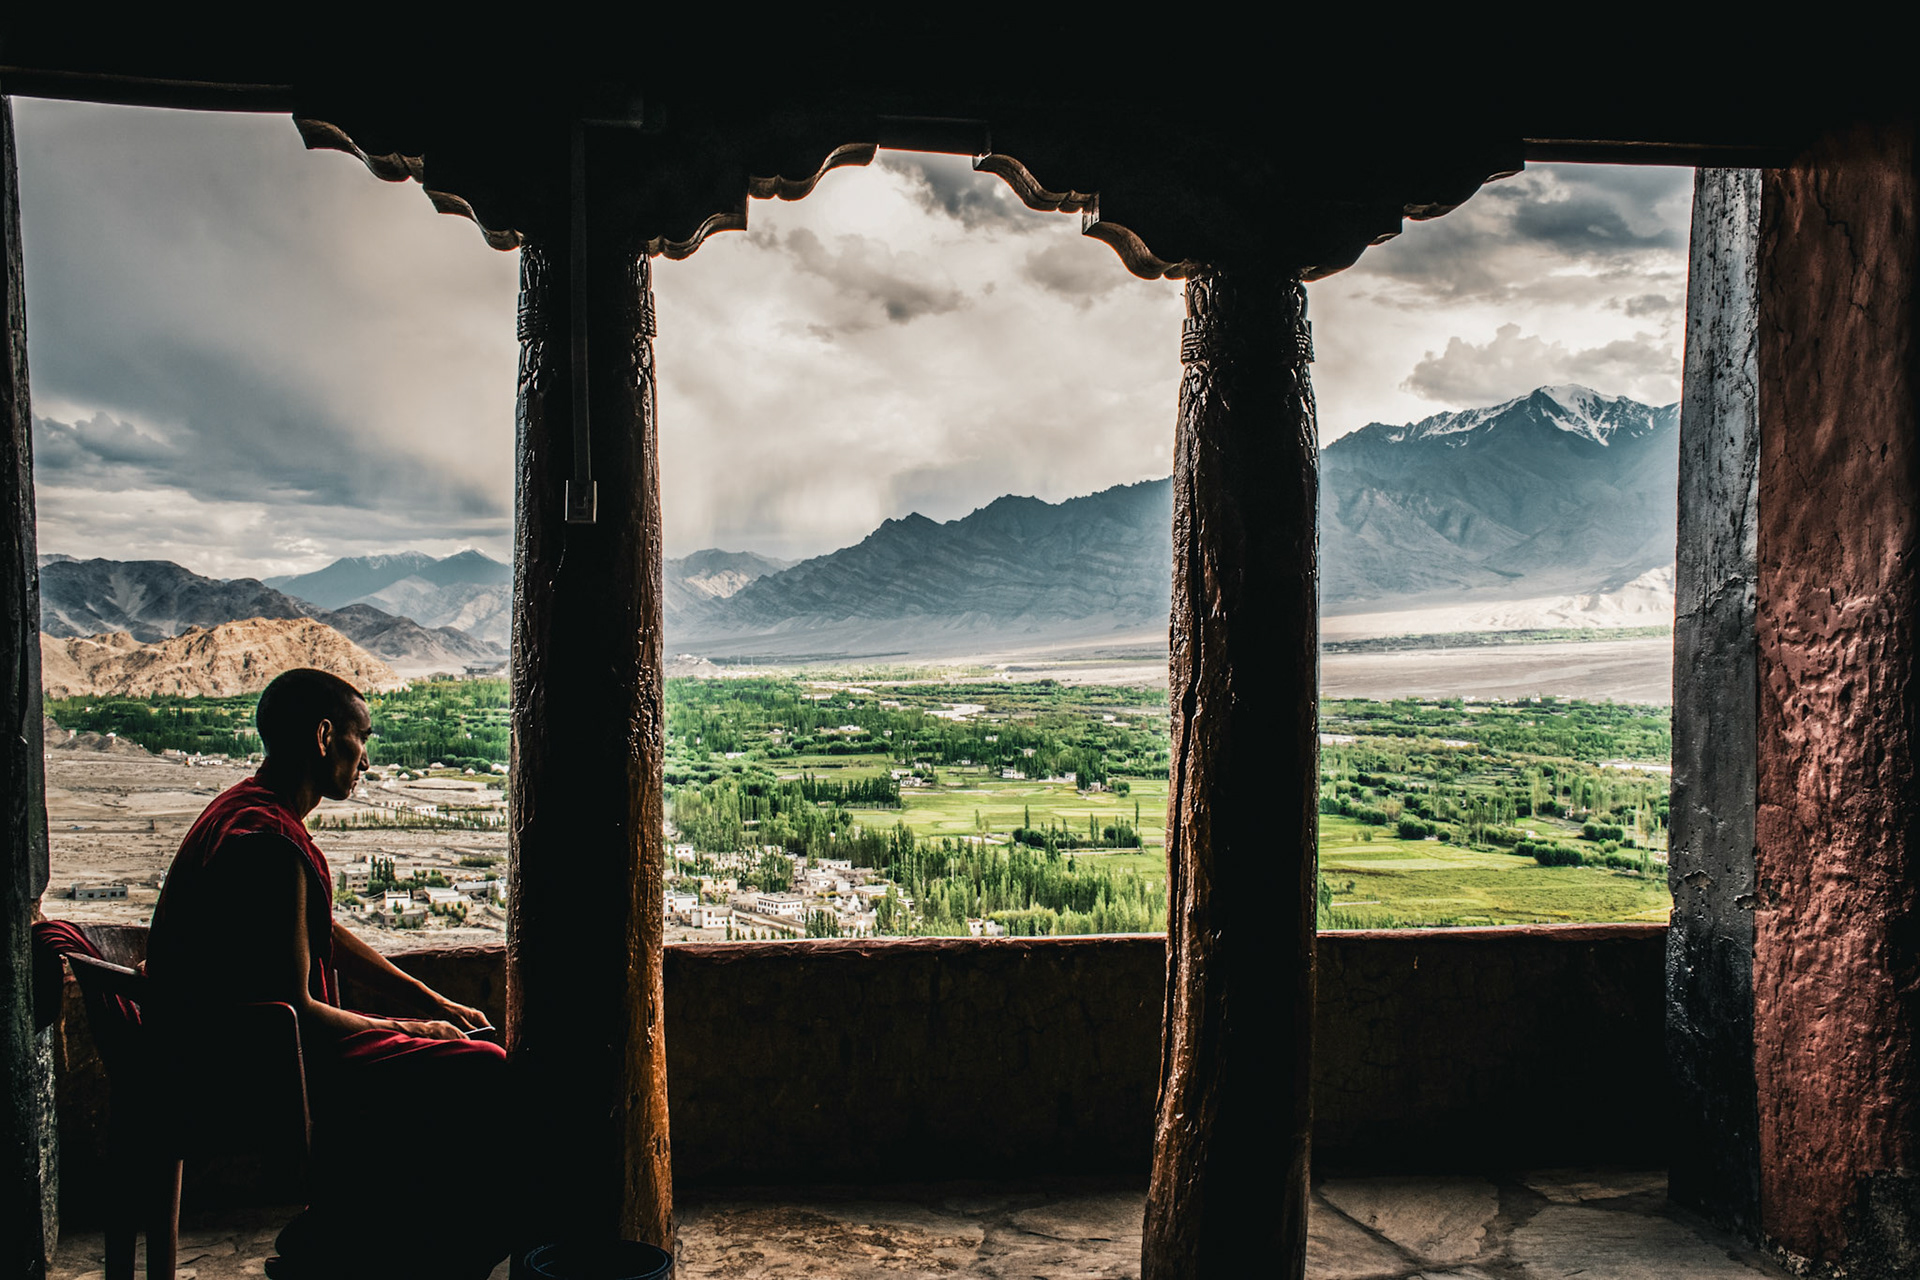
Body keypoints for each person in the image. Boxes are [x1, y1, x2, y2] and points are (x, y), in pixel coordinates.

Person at [146, 668, 508, 1279]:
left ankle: (335, 1236)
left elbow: (318, 934)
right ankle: (402, 1253)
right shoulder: (268, 843)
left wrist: (432, 1002)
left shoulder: (245, 811)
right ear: (323, 736)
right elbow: (297, 1006)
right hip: (252, 1062)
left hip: (231, 1040)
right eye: (360, 738)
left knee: (443, 1056)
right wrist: (420, 1031)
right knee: (483, 1071)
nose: (365, 759)